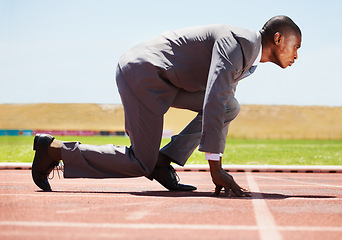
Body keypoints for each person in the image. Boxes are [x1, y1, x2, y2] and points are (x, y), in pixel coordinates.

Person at [32, 15, 301, 196]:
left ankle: (162, 161)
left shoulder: (247, 56)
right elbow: (213, 100)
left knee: (231, 106)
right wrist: (215, 168)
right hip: (144, 73)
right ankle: (54, 151)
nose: (296, 55)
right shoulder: (238, 44)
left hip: (171, 81)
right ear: (278, 39)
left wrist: (216, 161)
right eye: (295, 46)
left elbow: (220, 105)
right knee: (140, 162)